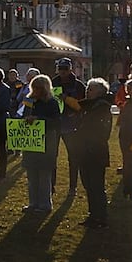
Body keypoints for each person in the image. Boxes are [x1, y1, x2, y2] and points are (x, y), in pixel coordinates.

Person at [74, 77, 114, 229]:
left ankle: (101, 216)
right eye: (88, 88)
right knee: (88, 184)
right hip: (85, 151)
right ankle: (93, 214)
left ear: (100, 92)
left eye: (91, 89)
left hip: (95, 152)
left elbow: (101, 132)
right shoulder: (88, 106)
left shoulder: (102, 108)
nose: (87, 91)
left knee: (96, 185)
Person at [21, 74, 61, 214]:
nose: (36, 90)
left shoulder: (52, 102)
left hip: (46, 142)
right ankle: (33, 203)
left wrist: (38, 119)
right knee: (32, 175)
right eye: (34, 87)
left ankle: (44, 205)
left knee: (44, 175)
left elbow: (56, 122)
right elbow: (22, 114)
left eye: (39, 88)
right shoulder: (29, 101)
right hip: (31, 143)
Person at [52, 58, 87, 197]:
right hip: (55, 123)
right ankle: (51, 185)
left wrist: (67, 100)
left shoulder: (78, 85)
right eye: (60, 69)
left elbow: (82, 105)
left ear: (70, 69)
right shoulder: (53, 82)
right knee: (52, 156)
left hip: (72, 124)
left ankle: (73, 187)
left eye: (65, 69)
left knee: (73, 157)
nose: (62, 72)